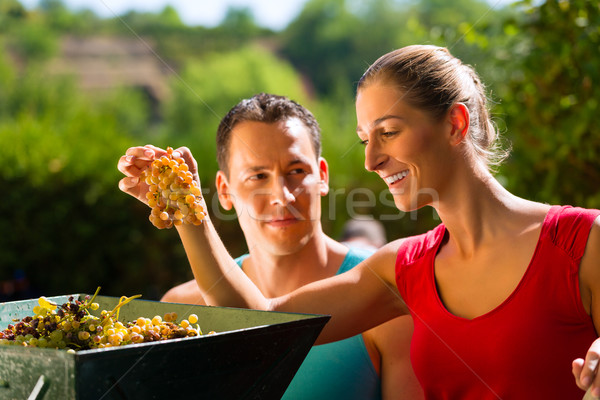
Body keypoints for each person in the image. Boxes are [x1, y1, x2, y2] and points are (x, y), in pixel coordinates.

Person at [118, 46, 600, 399]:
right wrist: (188, 211)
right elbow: (259, 321)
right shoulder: (402, 269)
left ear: (455, 124)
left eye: (388, 133)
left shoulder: (584, 244)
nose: (370, 159)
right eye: (365, 137)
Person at [120, 93, 423, 399]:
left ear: (322, 176)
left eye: (296, 171)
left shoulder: (387, 300)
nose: (283, 196)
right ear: (224, 191)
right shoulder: (184, 309)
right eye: (258, 176)